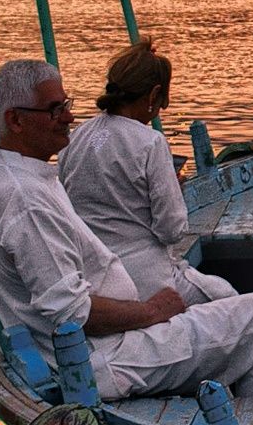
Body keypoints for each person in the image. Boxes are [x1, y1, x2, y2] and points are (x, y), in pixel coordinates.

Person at [0, 58, 253, 400]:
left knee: (229, 308)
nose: (68, 117)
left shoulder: (11, 177)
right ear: (15, 120)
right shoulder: (26, 201)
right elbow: (73, 312)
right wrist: (153, 311)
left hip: (107, 338)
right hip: (101, 359)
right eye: (54, 110)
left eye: (66, 105)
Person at [60, 38, 236, 305]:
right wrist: (175, 190)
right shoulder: (149, 142)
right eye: (162, 100)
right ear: (153, 95)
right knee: (229, 299)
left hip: (92, 279)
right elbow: (172, 230)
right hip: (146, 281)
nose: (161, 109)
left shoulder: (78, 138)